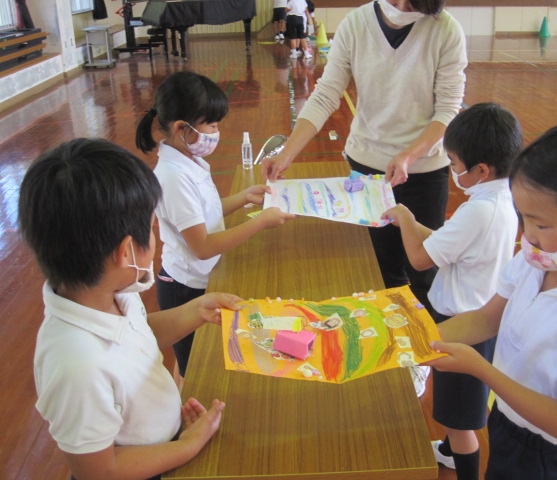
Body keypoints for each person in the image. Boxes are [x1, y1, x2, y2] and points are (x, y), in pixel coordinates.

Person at [262, 0, 467, 395]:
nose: (402, 5)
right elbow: (326, 94)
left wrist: (409, 155)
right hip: (367, 168)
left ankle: (422, 352)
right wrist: (287, 152)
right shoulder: (356, 24)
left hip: (424, 171)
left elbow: (448, 110)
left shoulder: (445, 30)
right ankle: (393, 349)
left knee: (424, 270)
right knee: (383, 267)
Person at [425, 121, 557, 479]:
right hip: (510, 420)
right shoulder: (537, 261)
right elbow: (486, 318)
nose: (529, 237)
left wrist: (481, 369)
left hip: (550, 455)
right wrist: (416, 338)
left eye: (540, 224)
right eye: (523, 219)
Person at [19, 138, 242, 480]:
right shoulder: (75, 366)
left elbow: (139, 335)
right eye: (151, 229)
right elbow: (100, 470)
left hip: (162, 440)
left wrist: (197, 310)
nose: (154, 236)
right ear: (126, 252)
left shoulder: (111, 292)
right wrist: (187, 446)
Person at [383, 103, 522, 480]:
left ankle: (464, 469)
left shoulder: (478, 211)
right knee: (453, 406)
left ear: (481, 170)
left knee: (459, 421)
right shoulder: (501, 198)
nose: (452, 170)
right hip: (477, 317)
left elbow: (419, 260)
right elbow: (446, 244)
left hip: (464, 324)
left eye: (455, 163)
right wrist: (409, 224)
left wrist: (406, 219)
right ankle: (447, 452)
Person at [136, 71, 295, 378]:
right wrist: (260, 222)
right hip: (185, 288)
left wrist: (243, 198)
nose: (216, 132)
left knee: (193, 361)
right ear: (182, 128)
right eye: (212, 125)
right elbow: (203, 246)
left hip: (201, 279)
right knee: (193, 370)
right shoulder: (174, 177)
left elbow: (204, 214)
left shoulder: (188, 160)